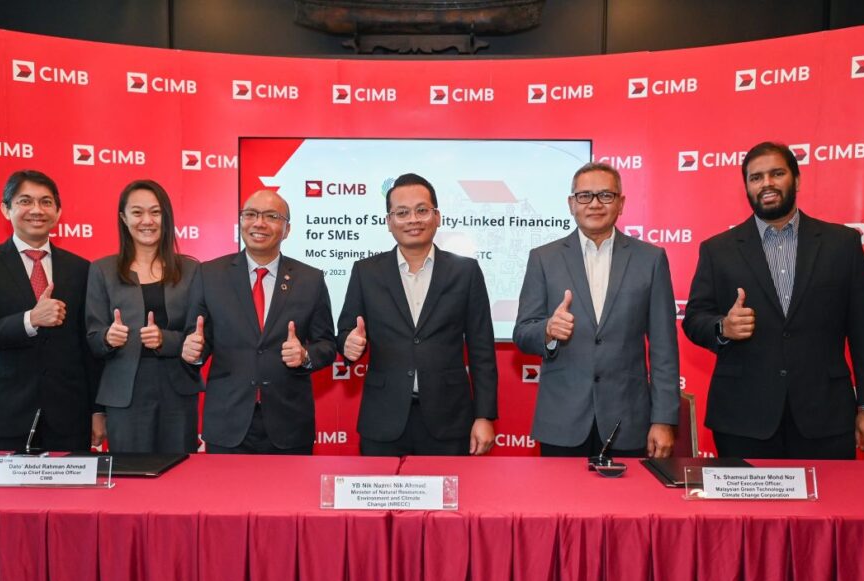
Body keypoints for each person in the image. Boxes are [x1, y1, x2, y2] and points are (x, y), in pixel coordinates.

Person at [682, 141, 864, 459]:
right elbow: (695, 318)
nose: (767, 183)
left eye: (777, 173)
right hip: (743, 418)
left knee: (829, 509)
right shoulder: (717, 250)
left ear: (797, 179)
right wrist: (723, 327)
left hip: (825, 416)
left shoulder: (842, 244)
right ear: (747, 187)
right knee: (748, 511)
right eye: (756, 177)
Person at [513, 162, 679, 457]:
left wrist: (664, 419)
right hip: (562, 422)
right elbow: (524, 333)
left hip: (628, 421)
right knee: (561, 504)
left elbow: (664, 348)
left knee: (627, 505)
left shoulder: (650, 259)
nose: (594, 204)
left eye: (605, 195)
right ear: (571, 203)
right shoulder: (543, 259)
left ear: (621, 203)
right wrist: (548, 329)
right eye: (584, 196)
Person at [337, 173, 498, 455]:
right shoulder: (366, 272)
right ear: (389, 222)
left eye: (422, 210)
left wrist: (484, 416)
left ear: (437, 217)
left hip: (449, 418)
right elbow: (346, 332)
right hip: (383, 418)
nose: (413, 219)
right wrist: (349, 345)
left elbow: (481, 349)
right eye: (402, 212)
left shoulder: (465, 272)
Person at [180, 190, 335, 454]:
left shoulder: (310, 279)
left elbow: (327, 345)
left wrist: (305, 355)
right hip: (228, 423)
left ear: (287, 229)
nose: (259, 223)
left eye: (271, 216)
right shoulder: (209, 274)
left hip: (289, 424)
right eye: (250, 214)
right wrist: (193, 352)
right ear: (241, 221)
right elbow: (197, 338)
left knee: (289, 497)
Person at [0, 169, 103, 451]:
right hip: (6, 415)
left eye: (46, 202)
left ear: (58, 212)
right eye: (25, 201)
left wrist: (98, 410)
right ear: (6, 209)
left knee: (73, 497)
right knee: (7, 497)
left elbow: (90, 347)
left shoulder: (82, 269)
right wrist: (30, 320)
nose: (37, 210)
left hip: (70, 418)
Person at [85, 179, 201, 453]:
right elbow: (91, 338)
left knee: (178, 480)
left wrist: (165, 340)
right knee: (130, 482)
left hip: (177, 391)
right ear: (123, 218)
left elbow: (200, 335)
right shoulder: (102, 270)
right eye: (137, 212)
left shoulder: (192, 270)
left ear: (167, 217)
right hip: (124, 393)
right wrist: (107, 337)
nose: (147, 221)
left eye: (155, 212)